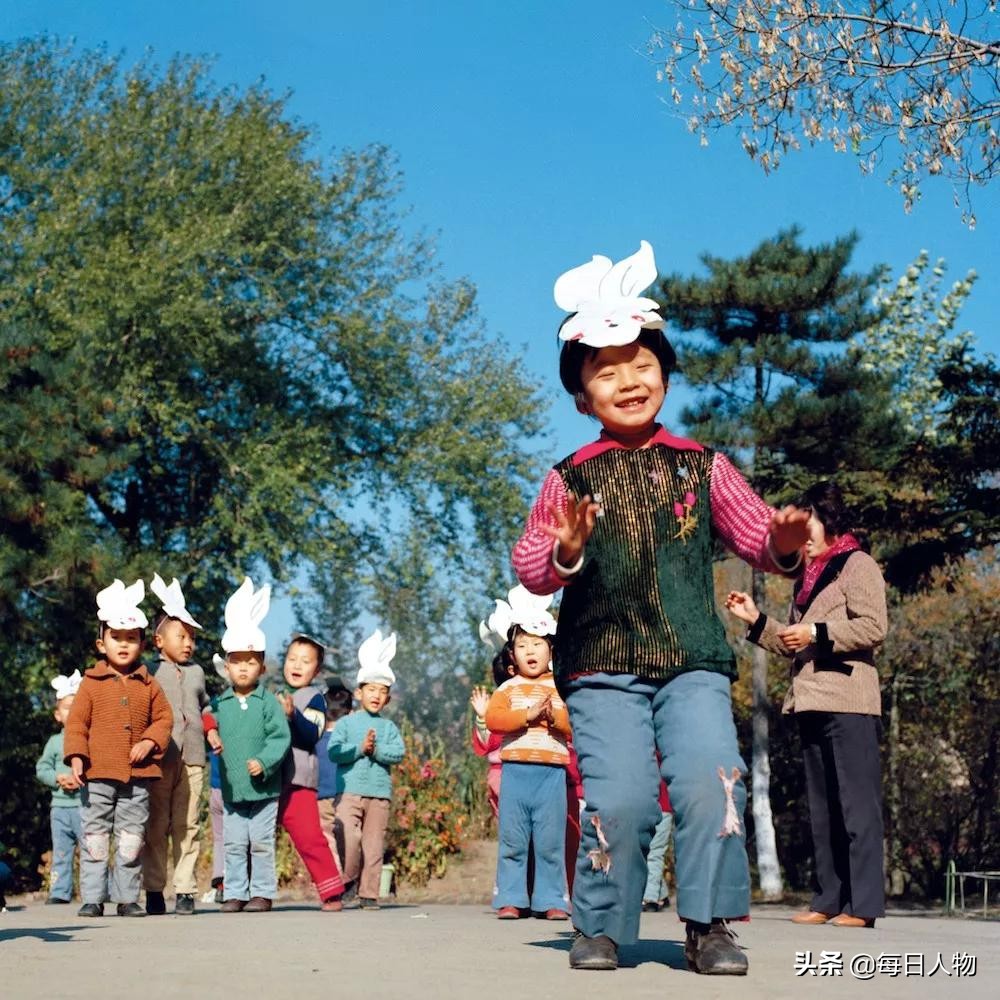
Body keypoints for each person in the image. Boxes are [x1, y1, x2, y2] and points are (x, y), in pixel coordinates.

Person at [513, 241, 809, 973]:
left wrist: (785, 542)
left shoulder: (703, 465)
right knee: (622, 799)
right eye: (606, 371)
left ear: (666, 375)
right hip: (602, 665)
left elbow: (755, 532)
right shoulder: (567, 478)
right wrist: (567, 549)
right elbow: (529, 566)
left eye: (642, 365)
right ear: (583, 397)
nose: (629, 380)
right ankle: (602, 926)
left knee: (714, 780)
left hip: (692, 661)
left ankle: (709, 925)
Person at [725, 479, 887, 929]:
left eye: (808, 521)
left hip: (850, 700)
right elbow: (794, 642)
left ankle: (864, 905)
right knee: (822, 808)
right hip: (810, 701)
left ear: (827, 519)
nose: (802, 533)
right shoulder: (808, 579)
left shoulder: (858, 564)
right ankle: (829, 899)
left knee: (857, 806)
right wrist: (757, 620)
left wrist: (817, 634)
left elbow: (874, 626)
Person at [64, 579, 173, 918]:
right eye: (116, 638)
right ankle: (93, 898)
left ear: (142, 642)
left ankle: (128, 898)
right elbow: (77, 723)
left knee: (130, 837)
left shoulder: (149, 683)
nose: (124, 645)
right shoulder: (90, 683)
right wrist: (78, 756)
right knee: (96, 835)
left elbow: (164, 719)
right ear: (102, 643)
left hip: (137, 777)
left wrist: (149, 741)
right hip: (97, 774)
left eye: (131, 638)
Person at [484, 586, 572, 921]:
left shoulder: (562, 687)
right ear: (512, 654)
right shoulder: (506, 689)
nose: (530, 651)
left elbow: (574, 725)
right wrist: (527, 716)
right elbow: (494, 720)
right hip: (516, 774)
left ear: (551, 649)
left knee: (550, 841)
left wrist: (554, 718)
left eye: (537, 644)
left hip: (551, 775)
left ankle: (551, 900)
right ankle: (511, 897)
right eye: (522, 645)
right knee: (513, 840)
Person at [213, 577, 291, 914]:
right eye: (237, 660)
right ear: (226, 666)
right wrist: (209, 733)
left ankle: (261, 892)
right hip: (232, 789)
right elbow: (207, 723)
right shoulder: (221, 703)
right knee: (232, 843)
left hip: (264, 788)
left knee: (260, 843)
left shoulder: (268, 702)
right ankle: (234, 892)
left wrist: (265, 761)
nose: (243, 667)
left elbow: (280, 737)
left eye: (251, 660)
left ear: (261, 665)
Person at [143, 574, 219, 916]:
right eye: (181, 636)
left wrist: (212, 730)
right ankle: (155, 890)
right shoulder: (148, 673)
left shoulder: (198, 673)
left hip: (192, 758)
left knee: (187, 824)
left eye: (192, 638)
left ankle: (186, 889)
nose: (188, 643)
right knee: (156, 826)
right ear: (159, 641)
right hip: (159, 760)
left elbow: (205, 707)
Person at [327, 629, 406, 910]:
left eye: (382, 692)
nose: (376, 695)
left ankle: (369, 893)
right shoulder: (347, 723)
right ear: (359, 692)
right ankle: (348, 880)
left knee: (373, 845)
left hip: (379, 793)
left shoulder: (389, 727)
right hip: (349, 791)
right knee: (349, 835)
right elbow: (334, 751)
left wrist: (377, 751)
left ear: (388, 698)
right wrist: (361, 748)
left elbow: (398, 753)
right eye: (371, 689)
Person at [276, 634, 345, 910]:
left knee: (309, 836)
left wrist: (294, 715)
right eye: (292, 658)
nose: (297, 665)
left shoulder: (313, 698)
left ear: (316, 670)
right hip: (269, 779)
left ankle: (331, 891)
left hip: (299, 781)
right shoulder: (278, 696)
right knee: (254, 836)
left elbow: (312, 734)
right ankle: (248, 891)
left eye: (305, 661)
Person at [35, 670, 84, 904]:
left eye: (76, 706)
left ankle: (93, 893)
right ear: (57, 715)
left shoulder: (89, 740)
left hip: (86, 806)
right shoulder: (54, 742)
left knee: (93, 851)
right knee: (62, 852)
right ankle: (59, 893)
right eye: (66, 707)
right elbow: (41, 769)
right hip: (60, 808)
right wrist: (58, 778)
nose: (72, 711)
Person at [317, 679, 353, 873]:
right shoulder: (350, 741)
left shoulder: (315, 740)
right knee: (349, 836)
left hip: (321, 798)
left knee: (328, 838)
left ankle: (334, 876)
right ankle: (350, 875)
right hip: (346, 796)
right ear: (349, 713)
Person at [642, 772, 673, 912]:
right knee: (647, 851)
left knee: (654, 852)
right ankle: (662, 893)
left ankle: (651, 898)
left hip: (663, 808)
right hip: (646, 807)